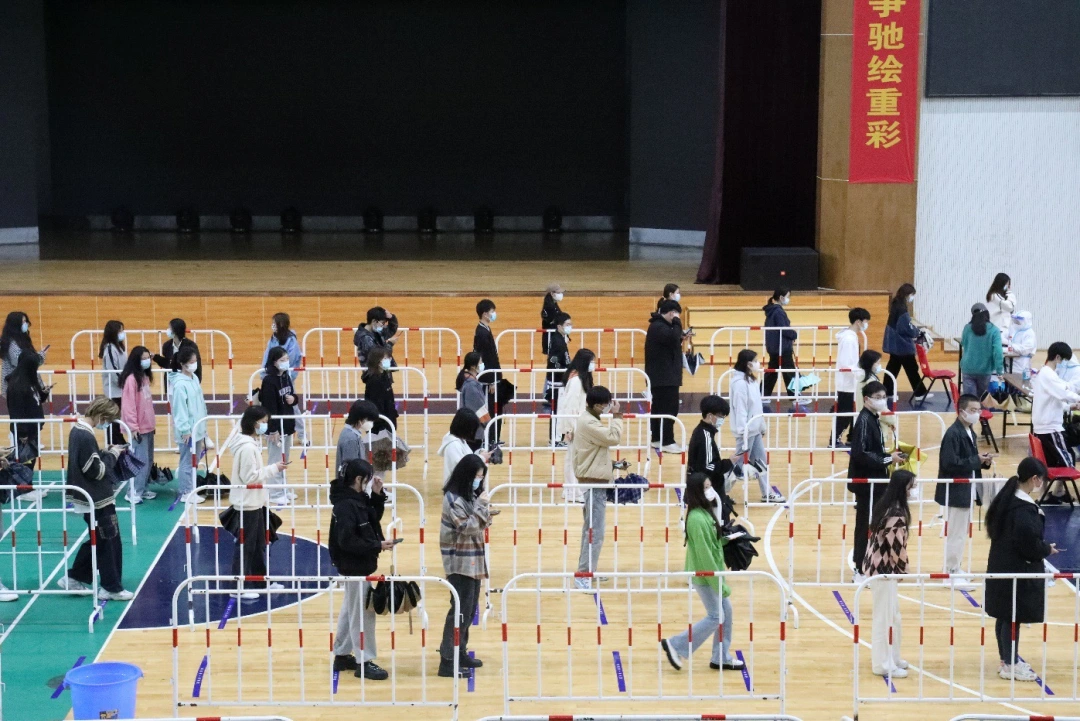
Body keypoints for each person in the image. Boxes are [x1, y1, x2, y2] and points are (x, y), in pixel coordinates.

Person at [660, 472, 743, 672]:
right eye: (706, 487)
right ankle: (676, 644)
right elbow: (704, 555)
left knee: (726, 613)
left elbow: (711, 541)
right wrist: (719, 584)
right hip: (705, 575)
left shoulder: (705, 513)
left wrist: (729, 539)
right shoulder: (697, 519)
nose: (710, 490)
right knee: (716, 616)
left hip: (712, 573)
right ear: (697, 491)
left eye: (710, 486)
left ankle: (720, 657)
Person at [984, 457, 1059, 682]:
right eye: (1041, 479)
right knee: (1012, 617)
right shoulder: (1024, 510)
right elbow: (1028, 544)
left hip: (1001, 565)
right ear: (1034, 479)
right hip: (1016, 569)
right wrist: (1046, 549)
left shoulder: (1007, 499)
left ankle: (1006, 660)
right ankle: (1010, 664)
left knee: (1004, 616)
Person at [57, 398, 133, 600]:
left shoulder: (78, 430)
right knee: (109, 541)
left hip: (90, 496)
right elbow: (95, 470)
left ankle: (74, 577)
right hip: (96, 498)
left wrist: (103, 453)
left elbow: (88, 461)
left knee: (99, 539)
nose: (106, 424)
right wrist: (113, 455)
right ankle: (111, 587)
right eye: (107, 420)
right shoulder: (85, 436)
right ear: (101, 416)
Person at [330, 457, 394, 681]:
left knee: (351, 609)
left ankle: (341, 654)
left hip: (357, 564)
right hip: (353, 565)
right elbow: (347, 541)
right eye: (367, 480)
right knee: (363, 614)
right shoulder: (346, 506)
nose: (368, 482)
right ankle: (364, 661)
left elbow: (371, 520)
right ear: (358, 479)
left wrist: (377, 495)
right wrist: (377, 545)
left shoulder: (355, 498)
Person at [438, 454, 494, 678]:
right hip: (459, 561)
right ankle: (447, 660)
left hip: (473, 558)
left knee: (469, 610)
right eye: (477, 477)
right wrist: (481, 508)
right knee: (459, 611)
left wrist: (484, 512)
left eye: (481, 477)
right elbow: (468, 527)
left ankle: (460, 651)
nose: (479, 482)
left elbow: (480, 523)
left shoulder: (470, 496)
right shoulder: (453, 499)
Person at [225, 405, 288, 599]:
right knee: (246, 546)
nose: (265, 426)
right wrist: (274, 469)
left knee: (259, 544)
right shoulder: (247, 448)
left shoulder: (249, 444)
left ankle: (261, 581)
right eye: (263, 422)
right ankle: (238, 586)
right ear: (253, 423)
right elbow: (250, 477)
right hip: (248, 505)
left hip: (255, 503)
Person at [848, 381, 906, 582]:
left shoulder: (873, 418)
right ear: (866, 399)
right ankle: (859, 568)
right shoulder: (864, 420)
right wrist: (888, 459)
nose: (882, 401)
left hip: (875, 481)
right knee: (865, 526)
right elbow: (861, 453)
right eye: (878, 397)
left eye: (884, 397)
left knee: (872, 524)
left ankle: (870, 564)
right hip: (867, 484)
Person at [934, 394, 993, 588]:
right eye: (973, 410)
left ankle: (955, 567)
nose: (977, 414)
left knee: (961, 533)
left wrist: (982, 462)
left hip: (967, 489)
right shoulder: (953, 434)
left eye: (979, 410)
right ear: (961, 412)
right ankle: (950, 572)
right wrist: (976, 459)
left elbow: (968, 460)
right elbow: (949, 463)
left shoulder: (969, 431)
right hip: (957, 490)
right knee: (956, 534)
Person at [862, 469, 915, 679]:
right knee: (884, 619)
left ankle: (893, 657)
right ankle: (882, 664)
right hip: (883, 571)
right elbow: (897, 548)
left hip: (881, 569)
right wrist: (904, 569)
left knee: (893, 617)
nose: (912, 491)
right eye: (910, 487)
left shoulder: (888, 506)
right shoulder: (895, 514)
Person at [572, 385, 623, 589]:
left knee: (591, 530)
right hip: (593, 484)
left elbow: (594, 452)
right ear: (596, 405)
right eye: (605, 404)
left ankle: (587, 570)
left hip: (594, 480)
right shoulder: (589, 422)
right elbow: (613, 438)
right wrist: (617, 416)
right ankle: (583, 574)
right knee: (594, 532)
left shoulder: (590, 419)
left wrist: (613, 465)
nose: (608, 406)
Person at [729, 350, 784, 503]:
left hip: (755, 429)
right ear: (748, 364)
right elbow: (740, 409)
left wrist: (762, 425)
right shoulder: (740, 384)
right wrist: (743, 431)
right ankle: (719, 492)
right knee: (737, 464)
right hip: (746, 431)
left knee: (761, 461)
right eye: (755, 360)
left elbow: (757, 407)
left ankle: (766, 493)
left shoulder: (751, 381)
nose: (758, 363)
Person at [1031, 342, 1080, 503]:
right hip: (1051, 428)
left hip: (1044, 426)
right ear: (1057, 357)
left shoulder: (1045, 374)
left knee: (1049, 462)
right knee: (1068, 459)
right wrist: (1077, 399)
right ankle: (1058, 492)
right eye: (1064, 360)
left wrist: (1070, 406)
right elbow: (1063, 392)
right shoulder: (1048, 374)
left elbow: (1052, 400)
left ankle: (1045, 494)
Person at [686, 395, 738, 525]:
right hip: (707, 492)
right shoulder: (705, 435)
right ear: (710, 415)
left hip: (702, 489)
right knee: (715, 525)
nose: (722, 420)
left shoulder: (703, 432)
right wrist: (729, 462)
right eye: (720, 416)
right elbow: (708, 466)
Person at [5, 351, 49, 501]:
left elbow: (37, 398)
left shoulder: (29, 380)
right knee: (24, 461)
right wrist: (22, 433)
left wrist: (44, 393)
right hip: (24, 431)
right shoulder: (17, 386)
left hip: (33, 428)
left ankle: (29, 486)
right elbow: (16, 411)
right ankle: (23, 490)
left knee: (31, 459)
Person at [258, 346, 299, 505]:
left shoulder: (286, 376)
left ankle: (282, 488)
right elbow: (269, 408)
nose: (286, 362)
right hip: (276, 428)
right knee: (275, 460)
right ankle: (274, 492)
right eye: (282, 360)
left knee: (284, 459)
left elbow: (293, 396)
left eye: (287, 359)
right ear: (274, 362)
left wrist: (294, 399)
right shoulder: (269, 381)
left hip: (287, 425)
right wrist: (273, 429)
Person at [645, 299, 687, 452]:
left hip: (663, 376)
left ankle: (657, 438)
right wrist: (677, 322)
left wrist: (680, 336)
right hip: (664, 377)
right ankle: (667, 441)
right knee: (668, 409)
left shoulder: (659, 326)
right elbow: (672, 338)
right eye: (676, 315)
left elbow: (671, 340)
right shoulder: (658, 326)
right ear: (671, 313)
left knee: (659, 408)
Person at [119, 346, 158, 504]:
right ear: (136, 360)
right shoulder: (131, 380)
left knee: (148, 460)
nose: (147, 361)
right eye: (143, 358)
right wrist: (133, 427)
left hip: (148, 426)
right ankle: (133, 491)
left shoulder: (144, 377)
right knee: (140, 461)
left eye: (148, 358)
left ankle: (143, 488)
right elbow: (128, 406)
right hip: (138, 429)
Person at [170, 347, 208, 505]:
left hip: (198, 428)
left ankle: (191, 487)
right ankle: (186, 491)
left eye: (195, 361)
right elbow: (180, 410)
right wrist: (185, 430)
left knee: (194, 461)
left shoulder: (194, 378)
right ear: (183, 364)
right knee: (187, 461)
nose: (194, 364)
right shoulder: (180, 385)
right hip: (188, 431)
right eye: (191, 362)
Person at [557, 349, 596, 503]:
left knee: (576, 458)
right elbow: (570, 406)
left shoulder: (580, 379)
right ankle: (574, 492)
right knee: (575, 459)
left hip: (580, 424)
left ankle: (572, 490)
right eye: (591, 362)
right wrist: (569, 429)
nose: (593, 365)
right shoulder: (575, 381)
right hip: (575, 426)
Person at [261, 312, 305, 444]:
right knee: (270, 405)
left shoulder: (291, 340)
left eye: (274, 323)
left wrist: (287, 374)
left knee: (292, 406)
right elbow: (267, 356)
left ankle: (302, 434)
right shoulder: (272, 339)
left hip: (287, 378)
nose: (272, 326)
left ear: (281, 324)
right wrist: (264, 373)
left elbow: (293, 358)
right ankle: (268, 430)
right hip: (272, 377)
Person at [882, 284, 930, 401]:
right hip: (902, 344)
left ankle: (887, 392)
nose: (912, 297)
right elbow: (906, 328)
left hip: (894, 343)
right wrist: (917, 332)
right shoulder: (902, 308)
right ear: (908, 294)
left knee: (892, 368)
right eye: (912, 295)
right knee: (911, 368)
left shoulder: (895, 304)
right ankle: (920, 393)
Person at [834, 308, 870, 446]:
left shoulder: (851, 337)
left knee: (852, 411)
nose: (866, 324)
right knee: (845, 413)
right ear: (858, 322)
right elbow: (847, 364)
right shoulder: (849, 339)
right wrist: (859, 374)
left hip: (850, 381)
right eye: (865, 321)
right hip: (847, 383)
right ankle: (834, 440)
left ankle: (851, 438)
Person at [473, 299, 505, 442]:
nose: (494, 314)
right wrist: (492, 380)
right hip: (488, 378)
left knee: (495, 408)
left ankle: (494, 438)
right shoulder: (482, 332)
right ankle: (490, 439)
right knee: (490, 409)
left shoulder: (485, 329)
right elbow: (486, 357)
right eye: (492, 312)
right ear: (485, 314)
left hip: (493, 375)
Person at [959, 303, 1003, 399]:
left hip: (968, 368)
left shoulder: (967, 328)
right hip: (985, 369)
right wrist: (999, 370)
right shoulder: (994, 330)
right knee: (982, 399)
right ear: (987, 314)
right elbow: (998, 352)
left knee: (969, 400)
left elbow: (963, 343)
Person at [762, 288, 798, 401]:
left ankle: (762, 395)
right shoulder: (778, 312)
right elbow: (785, 329)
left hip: (774, 347)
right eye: (787, 296)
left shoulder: (771, 311)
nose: (788, 299)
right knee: (789, 372)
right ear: (781, 297)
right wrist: (794, 334)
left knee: (772, 373)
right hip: (782, 347)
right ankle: (795, 397)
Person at [1, 311, 47, 396]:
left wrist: (38, 357)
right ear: (15, 325)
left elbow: (28, 360)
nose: (26, 324)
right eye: (23, 322)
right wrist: (39, 357)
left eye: (26, 321)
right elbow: (20, 362)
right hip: (17, 387)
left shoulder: (23, 340)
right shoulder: (12, 343)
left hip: (26, 385)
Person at [438, 408, 490, 482]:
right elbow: (464, 467)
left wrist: (480, 452)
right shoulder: (453, 445)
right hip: (457, 487)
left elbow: (467, 457)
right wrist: (481, 458)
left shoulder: (460, 440)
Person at [152, 318, 202, 388]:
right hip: (171, 381)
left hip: (187, 381)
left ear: (175, 330)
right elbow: (168, 363)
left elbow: (197, 365)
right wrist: (155, 357)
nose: (168, 330)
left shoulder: (191, 346)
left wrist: (197, 380)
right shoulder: (167, 345)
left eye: (169, 328)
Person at [335, 399, 380, 476]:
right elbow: (352, 470)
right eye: (369, 420)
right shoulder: (350, 439)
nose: (371, 423)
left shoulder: (352, 435)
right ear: (360, 419)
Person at [99, 320, 127, 441]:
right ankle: (114, 442)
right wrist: (124, 383)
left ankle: (118, 441)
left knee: (118, 418)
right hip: (114, 391)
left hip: (120, 390)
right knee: (113, 419)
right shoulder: (110, 348)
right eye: (121, 331)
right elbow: (113, 370)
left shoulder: (119, 348)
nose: (122, 333)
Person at [456, 351, 491, 445]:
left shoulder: (469, 382)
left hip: (470, 429)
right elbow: (477, 407)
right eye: (480, 362)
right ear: (473, 366)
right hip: (473, 430)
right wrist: (487, 422)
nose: (482, 364)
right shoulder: (471, 385)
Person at [363, 347, 398, 436]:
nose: (389, 360)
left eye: (389, 358)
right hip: (380, 426)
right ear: (377, 360)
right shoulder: (374, 380)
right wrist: (383, 425)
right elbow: (376, 405)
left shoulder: (384, 376)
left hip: (388, 420)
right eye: (385, 358)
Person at [544, 312, 572, 417]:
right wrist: (565, 372)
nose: (570, 327)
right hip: (557, 382)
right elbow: (554, 361)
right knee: (557, 412)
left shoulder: (560, 339)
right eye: (567, 325)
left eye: (570, 324)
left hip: (558, 380)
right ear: (559, 326)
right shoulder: (557, 341)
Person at [985, 273, 1017, 339]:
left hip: (998, 328)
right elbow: (1010, 307)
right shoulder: (995, 296)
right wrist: (1009, 292)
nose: (1008, 286)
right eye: (1007, 284)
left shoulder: (995, 295)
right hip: (998, 328)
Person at [1006, 311, 1036, 377]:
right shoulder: (1014, 330)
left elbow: (1025, 350)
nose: (1016, 323)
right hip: (1011, 365)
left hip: (1021, 366)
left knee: (1018, 381)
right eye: (1015, 321)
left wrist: (1011, 345)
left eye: (1018, 322)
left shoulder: (1029, 333)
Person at [540, 283, 564, 355]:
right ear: (552, 293)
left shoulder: (553, 304)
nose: (561, 294)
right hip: (551, 338)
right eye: (558, 292)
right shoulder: (549, 307)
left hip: (554, 337)